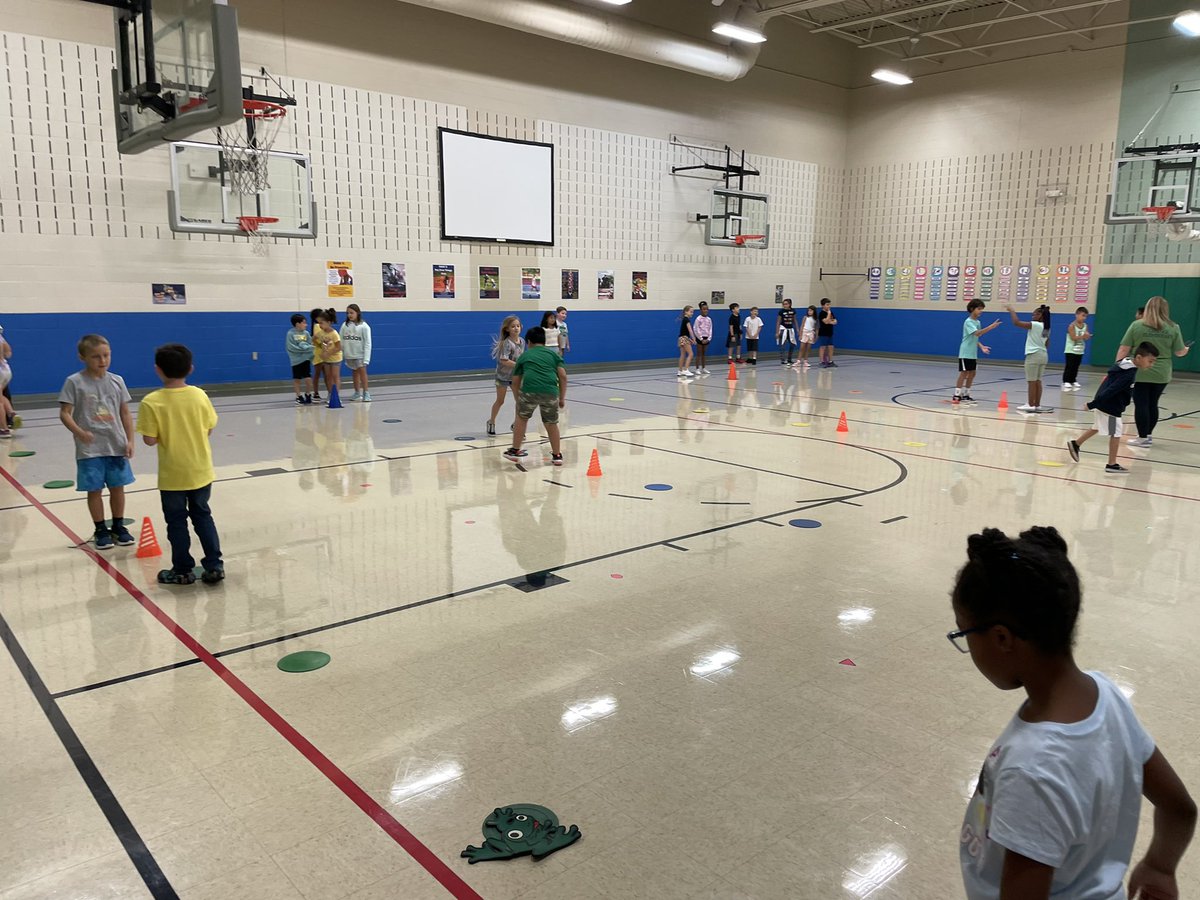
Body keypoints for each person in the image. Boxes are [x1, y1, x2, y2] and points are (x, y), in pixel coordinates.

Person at [951, 525, 1196, 900]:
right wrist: (1160, 867)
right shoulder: (1107, 695)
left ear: (1002, 638)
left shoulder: (1031, 768)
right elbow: (1181, 809)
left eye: (964, 634)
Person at [137, 343, 223, 585]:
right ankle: (214, 566)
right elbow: (209, 428)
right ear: (191, 368)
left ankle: (183, 569)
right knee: (203, 516)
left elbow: (150, 440)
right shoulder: (199, 395)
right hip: (200, 471)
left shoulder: (151, 402)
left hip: (172, 476)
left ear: (158, 370)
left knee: (176, 522)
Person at [58, 334, 136, 550]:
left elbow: (125, 413)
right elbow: (65, 413)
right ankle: (100, 528)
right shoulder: (74, 382)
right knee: (94, 490)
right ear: (82, 357)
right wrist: (79, 431)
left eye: (106, 355)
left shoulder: (117, 381)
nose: (102, 361)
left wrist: (130, 440)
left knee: (117, 487)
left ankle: (119, 526)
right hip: (90, 449)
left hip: (116, 445)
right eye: (96, 357)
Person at [1067, 342, 1158, 474]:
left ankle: (1076, 444)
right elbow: (1111, 390)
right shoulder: (1128, 374)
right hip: (1110, 407)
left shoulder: (1124, 363)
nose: (1151, 364)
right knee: (1116, 433)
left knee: (1098, 426)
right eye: (1150, 361)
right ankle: (1111, 464)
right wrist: (1092, 404)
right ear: (1138, 358)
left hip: (1106, 404)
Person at [1116, 295, 1190, 448]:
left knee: (1141, 404)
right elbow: (1179, 352)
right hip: (1162, 372)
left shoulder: (1137, 325)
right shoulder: (1173, 327)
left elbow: (1124, 348)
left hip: (1140, 370)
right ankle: (1148, 435)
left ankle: (1142, 438)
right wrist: (1186, 350)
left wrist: (1117, 367)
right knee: (1153, 403)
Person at [504, 326, 566, 466]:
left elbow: (515, 381)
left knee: (522, 418)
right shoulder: (554, 355)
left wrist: (518, 397)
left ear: (529, 342)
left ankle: (515, 451)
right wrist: (562, 397)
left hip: (529, 391)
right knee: (551, 423)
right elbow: (563, 376)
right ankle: (557, 455)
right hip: (550, 392)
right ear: (544, 342)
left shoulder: (524, 356)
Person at [954, 300, 1002, 404]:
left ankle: (966, 394)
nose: (981, 311)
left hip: (973, 353)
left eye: (982, 309)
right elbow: (977, 333)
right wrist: (991, 327)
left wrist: (981, 346)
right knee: (964, 373)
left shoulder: (977, 322)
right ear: (972, 309)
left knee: (972, 373)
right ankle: (956, 395)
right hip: (965, 352)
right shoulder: (968, 322)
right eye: (979, 309)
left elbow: (976, 337)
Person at [1007, 304, 1052, 413]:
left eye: (1035, 314)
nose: (1032, 316)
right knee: (1038, 381)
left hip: (1033, 355)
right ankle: (1037, 404)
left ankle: (1030, 404)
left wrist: (1012, 311)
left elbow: (1016, 322)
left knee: (1031, 381)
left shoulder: (1035, 325)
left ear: (1041, 315)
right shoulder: (1047, 328)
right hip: (1043, 355)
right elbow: (1047, 344)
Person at [488, 315, 524, 436]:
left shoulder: (522, 341)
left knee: (519, 401)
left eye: (518, 326)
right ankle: (491, 421)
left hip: (515, 377)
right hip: (503, 376)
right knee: (500, 401)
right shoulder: (506, 343)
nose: (516, 328)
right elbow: (504, 360)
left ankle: (516, 425)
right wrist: (518, 365)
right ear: (507, 329)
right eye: (513, 326)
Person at [340, 303, 373, 402]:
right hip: (349, 354)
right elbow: (341, 340)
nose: (349, 315)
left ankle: (366, 392)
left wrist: (366, 358)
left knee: (363, 374)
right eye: (347, 313)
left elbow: (368, 343)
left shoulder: (364, 326)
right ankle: (357, 392)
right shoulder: (344, 325)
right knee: (354, 374)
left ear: (357, 313)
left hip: (360, 355)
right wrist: (342, 353)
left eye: (351, 313)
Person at [312, 309, 343, 406]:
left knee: (335, 376)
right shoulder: (320, 333)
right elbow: (313, 339)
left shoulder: (334, 333)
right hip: (326, 359)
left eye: (321, 323)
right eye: (318, 323)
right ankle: (330, 393)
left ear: (329, 322)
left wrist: (328, 353)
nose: (320, 325)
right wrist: (319, 346)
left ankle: (336, 395)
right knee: (328, 377)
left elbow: (339, 347)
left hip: (335, 359)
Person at [286, 314, 314, 405]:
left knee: (308, 378)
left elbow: (310, 344)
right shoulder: (290, 334)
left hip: (305, 359)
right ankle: (298, 396)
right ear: (297, 324)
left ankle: (308, 393)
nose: (306, 325)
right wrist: (302, 349)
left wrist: (308, 349)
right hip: (296, 360)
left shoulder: (306, 333)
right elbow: (291, 347)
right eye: (304, 323)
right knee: (297, 379)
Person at [1061, 306, 1091, 390]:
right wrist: (1083, 336)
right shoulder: (1072, 326)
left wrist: (1087, 336)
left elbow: (1085, 337)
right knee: (1070, 366)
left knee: (1076, 366)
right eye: (1083, 315)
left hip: (1080, 349)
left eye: (1086, 316)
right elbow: (1073, 337)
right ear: (1077, 315)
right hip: (1070, 350)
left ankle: (1073, 380)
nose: (1084, 318)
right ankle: (1066, 381)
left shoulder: (1085, 325)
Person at [309, 308, 327, 401]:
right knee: (318, 373)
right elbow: (318, 339)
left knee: (325, 374)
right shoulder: (317, 326)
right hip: (318, 353)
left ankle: (329, 392)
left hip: (323, 352)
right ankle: (315, 393)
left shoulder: (321, 325)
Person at [0, 326, 14, 437]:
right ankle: (11, 413)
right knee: (2, 396)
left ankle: (4, 429)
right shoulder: (2, 339)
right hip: (6, 370)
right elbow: (9, 353)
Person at [693, 301, 713, 375]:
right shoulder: (698, 319)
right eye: (704, 309)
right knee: (699, 353)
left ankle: (703, 368)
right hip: (700, 338)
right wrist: (701, 339)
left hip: (706, 338)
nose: (705, 310)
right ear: (701, 310)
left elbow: (710, 329)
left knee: (704, 354)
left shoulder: (709, 319)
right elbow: (696, 329)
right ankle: (697, 368)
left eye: (707, 309)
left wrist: (708, 338)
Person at [816, 298, 838, 368]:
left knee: (831, 346)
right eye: (827, 305)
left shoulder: (831, 313)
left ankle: (830, 361)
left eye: (829, 304)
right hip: (823, 333)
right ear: (823, 305)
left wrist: (830, 321)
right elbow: (825, 321)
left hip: (830, 332)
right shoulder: (821, 313)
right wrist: (828, 314)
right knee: (823, 347)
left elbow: (835, 321)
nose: (829, 306)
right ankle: (821, 361)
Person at [777, 298, 798, 367]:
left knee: (792, 344)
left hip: (790, 329)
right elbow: (778, 322)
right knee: (782, 345)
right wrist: (777, 331)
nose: (785, 305)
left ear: (790, 304)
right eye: (784, 304)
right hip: (783, 329)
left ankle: (789, 358)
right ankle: (783, 359)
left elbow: (795, 320)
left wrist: (797, 329)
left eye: (786, 304)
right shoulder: (781, 311)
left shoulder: (793, 311)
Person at [676, 305, 696, 377]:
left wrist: (690, 339)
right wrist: (694, 339)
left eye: (693, 312)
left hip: (681, 338)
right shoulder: (687, 320)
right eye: (691, 312)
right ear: (686, 312)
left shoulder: (684, 319)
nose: (692, 313)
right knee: (691, 354)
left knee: (683, 355)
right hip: (684, 338)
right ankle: (685, 370)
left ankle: (680, 371)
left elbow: (684, 332)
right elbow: (690, 330)